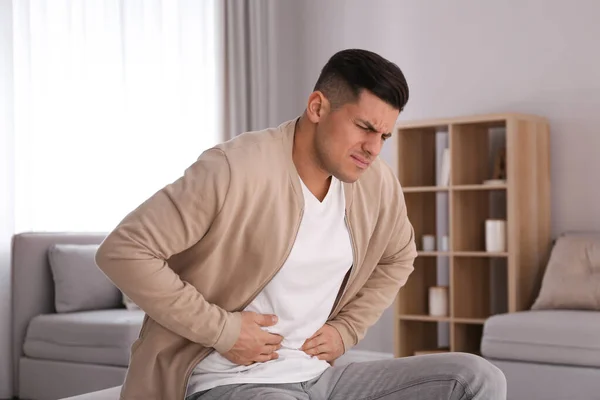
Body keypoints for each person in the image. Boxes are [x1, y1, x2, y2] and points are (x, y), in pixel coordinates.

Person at [95, 48, 507, 400]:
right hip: (230, 381)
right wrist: (223, 331)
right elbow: (124, 252)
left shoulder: (374, 181)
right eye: (364, 127)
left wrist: (347, 330)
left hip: (319, 378)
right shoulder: (233, 168)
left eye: (384, 136)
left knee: (476, 379)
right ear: (317, 107)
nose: (373, 149)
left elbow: (399, 257)